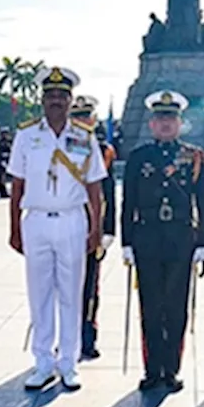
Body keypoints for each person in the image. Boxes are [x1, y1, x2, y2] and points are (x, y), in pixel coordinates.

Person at [7, 67, 107, 391]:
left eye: (62, 96)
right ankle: (42, 362)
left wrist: (96, 229)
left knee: (70, 293)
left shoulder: (84, 137)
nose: (56, 101)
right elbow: (17, 185)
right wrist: (14, 228)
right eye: (50, 96)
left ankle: (69, 362)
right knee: (39, 294)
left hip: (71, 221)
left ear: (70, 100)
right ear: (42, 100)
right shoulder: (26, 136)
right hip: (36, 220)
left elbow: (95, 189)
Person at [121, 90, 204, 393]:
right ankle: (152, 369)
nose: (165, 123)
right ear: (151, 123)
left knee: (175, 307)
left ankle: (171, 369)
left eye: (171, 118)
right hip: (146, 237)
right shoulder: (138, 157)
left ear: (179, 123)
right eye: (160, 118)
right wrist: (126, 242)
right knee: (150, 306)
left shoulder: (193, 156)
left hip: (180, 239)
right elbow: (128, 202)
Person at [70, 95, 117, 360]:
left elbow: (108, 192)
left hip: (91, 227)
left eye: (86, 116)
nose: (82, 121)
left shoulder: (103, 150)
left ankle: (88, 337)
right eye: (76, 117)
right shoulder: (62, 146)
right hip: (66, 223)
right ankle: (67, 337)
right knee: (64, 286)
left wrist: (107, 230)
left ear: (93, 119)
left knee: (89, 286)